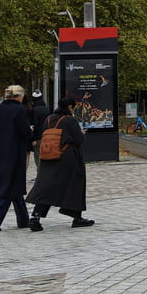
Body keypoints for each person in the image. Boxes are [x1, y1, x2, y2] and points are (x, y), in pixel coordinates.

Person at [26, 96, 93, 230]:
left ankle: (35, 217)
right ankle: (77, 218)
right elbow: (78, 140)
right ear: (70, 107)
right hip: (66, 158)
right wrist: (81, 133)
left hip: (48, 156)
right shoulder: (69, 120)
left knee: (47, 186)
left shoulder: (49, 119)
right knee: (74, 185)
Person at [0, 85, 34, 231]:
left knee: (15, 186)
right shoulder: (18, 109)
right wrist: (31, 134)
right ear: (19, 96)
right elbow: (25, 131)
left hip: (1, 152)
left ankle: (23, 220)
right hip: (15, 151)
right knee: (9, 186)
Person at [30, 89, 51, 169]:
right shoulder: (47, 108)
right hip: (47, 136)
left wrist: (33, 138)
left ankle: (40, 174)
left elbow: (34, 125)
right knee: (46, 156)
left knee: (38, 156)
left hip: (38, 137)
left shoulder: (34, 110)